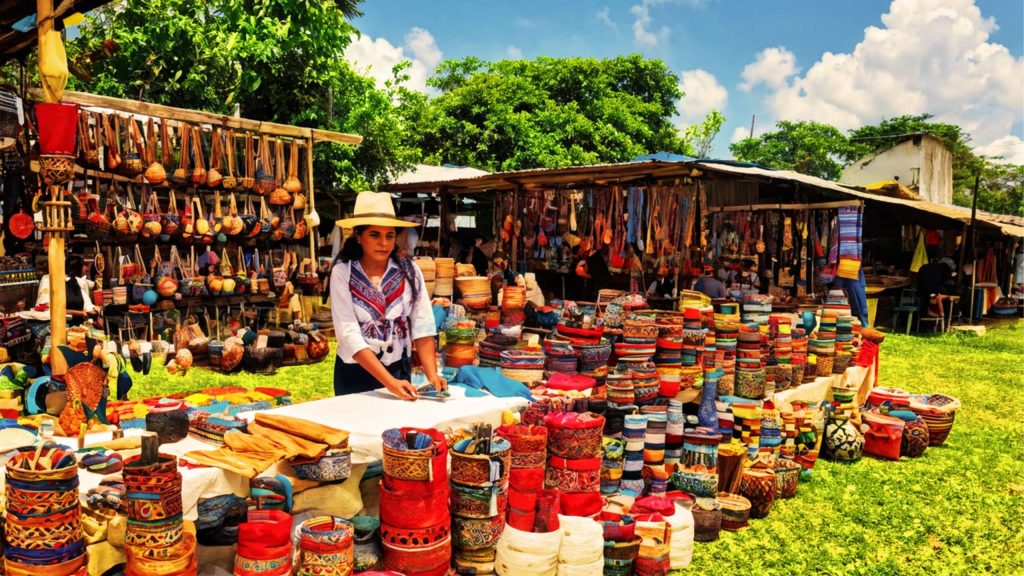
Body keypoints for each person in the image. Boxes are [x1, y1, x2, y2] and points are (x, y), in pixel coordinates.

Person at [330, 192, 446, 399]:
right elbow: (348, 333)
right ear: (359, 236)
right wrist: (389, 383)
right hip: (354, 371)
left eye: (389, 235)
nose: (383, 243)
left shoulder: (410, 271)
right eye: (375, 235)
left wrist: (432, 375)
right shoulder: (343, 272)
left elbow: (422, 324)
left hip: (398, 369)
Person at [30, 254, 99, 326]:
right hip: (56, 326)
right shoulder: (47, 279)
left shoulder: (77, 281)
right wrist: (81, 313)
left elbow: (86, 302)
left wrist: (94, 309)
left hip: (77, 326)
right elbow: (48, 308)